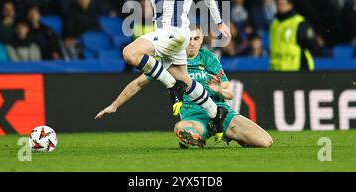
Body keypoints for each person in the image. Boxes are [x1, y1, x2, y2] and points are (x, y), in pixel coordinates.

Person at [112, 0, 231, 141]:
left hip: (177, 32)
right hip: (165, 34)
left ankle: (170, 85)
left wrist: (220, 22)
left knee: (130, 53)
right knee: (185, 79)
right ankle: (216, 113)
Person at [95, 25, 272, 149]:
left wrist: (219, 90)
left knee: (266, 142)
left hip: (222, 113)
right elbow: (138, 83)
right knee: (180, 127)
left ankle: (229, 134)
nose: (192, 43)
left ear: (202, 38)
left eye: (196, 38)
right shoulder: (168, 60)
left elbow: (230, 93)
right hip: (195, 119)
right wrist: (114, 106)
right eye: (189, 39)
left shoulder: (208, 58)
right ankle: (194, 138)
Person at [269, 0, 323, 71]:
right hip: (276, 70)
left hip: (297, 69)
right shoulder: (274, 24)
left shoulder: (299, 23)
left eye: (283, 4)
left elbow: (313, 46)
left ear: (290, 5)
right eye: (278, 5)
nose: (280, 7)